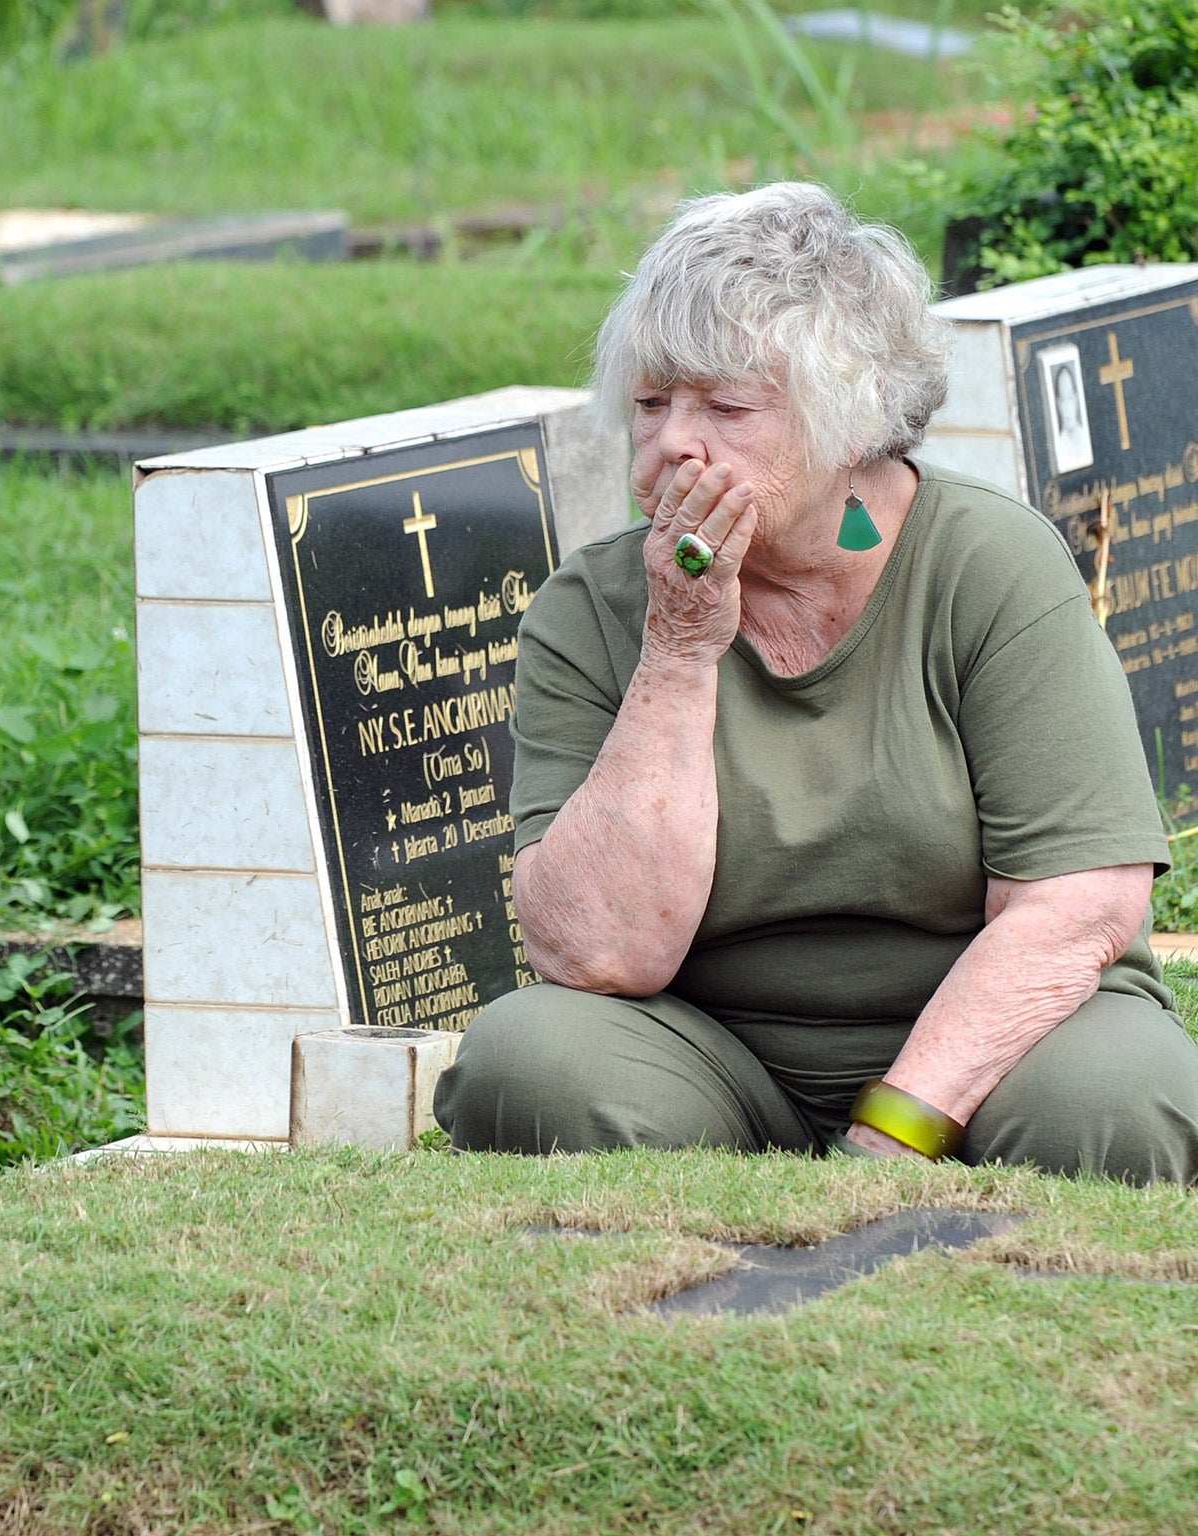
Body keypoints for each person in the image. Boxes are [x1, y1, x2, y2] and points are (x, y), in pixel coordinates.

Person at [434, 182, 1198, 1181]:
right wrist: (675, 651)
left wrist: (890, 1137)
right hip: (708, 1054)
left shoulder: (987, 566)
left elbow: (1077, 907)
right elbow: (596, 956)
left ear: (848, 421)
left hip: (996, 1040)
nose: (672, 443)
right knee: (523, 1059)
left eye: (724, 405)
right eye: (651, 404)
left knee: (1119, 1102)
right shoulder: (593, 609)